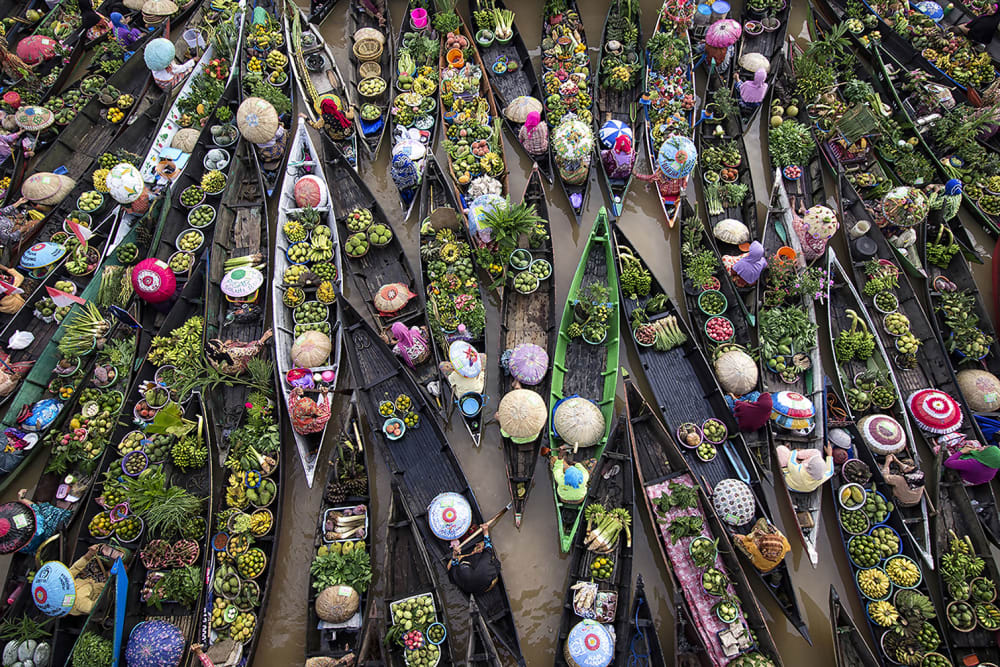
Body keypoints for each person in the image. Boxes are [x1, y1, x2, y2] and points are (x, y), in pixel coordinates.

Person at [447, 523, 500, 595]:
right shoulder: (485, 561)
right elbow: (488, 548)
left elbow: (454, 565)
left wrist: (454, 555)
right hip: (480, 587)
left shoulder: (459, 572)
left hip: (470, 585)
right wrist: (486, 532)